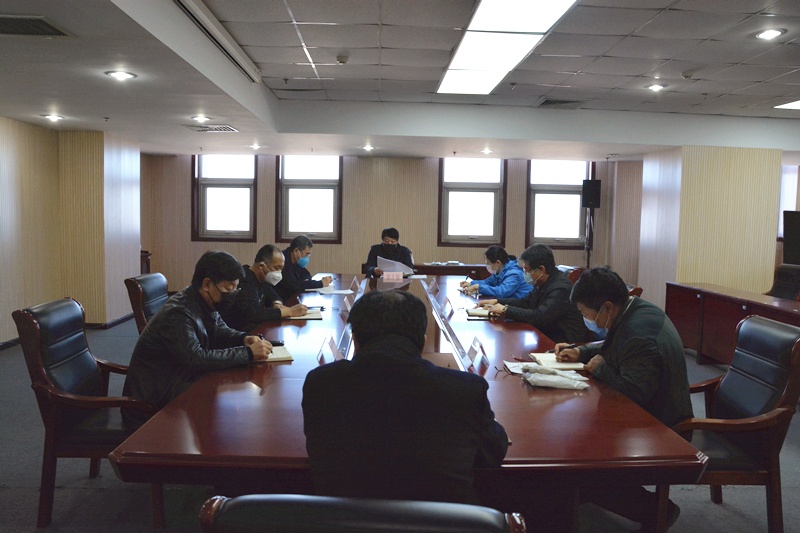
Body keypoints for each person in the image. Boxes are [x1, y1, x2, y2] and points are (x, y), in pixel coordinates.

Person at [302, 290, 509, 504]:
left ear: (354, 340)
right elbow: (494, 451)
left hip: (343, 520)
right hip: (442, 519)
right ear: (423, 343)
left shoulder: (320, 384)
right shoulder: (465, 390)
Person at [554, 266, 693, 531]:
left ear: (607, 307)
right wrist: (581, 352)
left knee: (575, 459)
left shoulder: (639, 337)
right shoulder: (635, 309)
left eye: (585, 313)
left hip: (663, 426)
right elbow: (614, 347)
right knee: (572, 436)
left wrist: (601, 368)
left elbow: (631, 395)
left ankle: (657, 510)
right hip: (651, 408)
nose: (584, 318)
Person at [121, 251, 273, 431]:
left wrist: (243, 338)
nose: (232, 294)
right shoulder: (178, 314)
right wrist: (247, 353)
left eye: (235, 288)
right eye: (228, 288)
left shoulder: (201, 299)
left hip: (179, 384)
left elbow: (219, 329)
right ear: (207, 284)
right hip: (152, 404)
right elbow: (196, 358)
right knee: (232, 417)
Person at [476, 244, 593, 344]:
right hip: (545, 335)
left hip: (562, 343)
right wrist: (497, 301)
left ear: (541, 270)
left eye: (527, 270)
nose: (525, 274)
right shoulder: (542, 282)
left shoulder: (561, 288)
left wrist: (505, 310)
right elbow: (525, 302)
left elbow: (539, 317)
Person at [220, 244, 308, 330]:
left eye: (281, 269)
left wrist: (277, 303)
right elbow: (254, 313)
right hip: (238, 332)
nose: (279, 273)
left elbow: (274, 296)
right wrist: (289, 311)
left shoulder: (263, 280)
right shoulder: (245, 280)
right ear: (262, 266)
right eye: (276, 268)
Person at [460, 245, 533, 298]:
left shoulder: (514, 274)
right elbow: (487, 282)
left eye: (488, 263)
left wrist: (478, 287)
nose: (487, 265)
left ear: (497, 262)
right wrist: (471, 284)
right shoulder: (499, 272)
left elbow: (501, 292)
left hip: (521, 307)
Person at [275, 235, 332, 300]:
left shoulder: (295, 260)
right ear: (296, 251)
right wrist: (321, 283)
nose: (307, 257)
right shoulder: (282, 261)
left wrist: (305, 281)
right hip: (281, 300)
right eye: (306, 254)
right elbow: (294, 285)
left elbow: (306, 274)